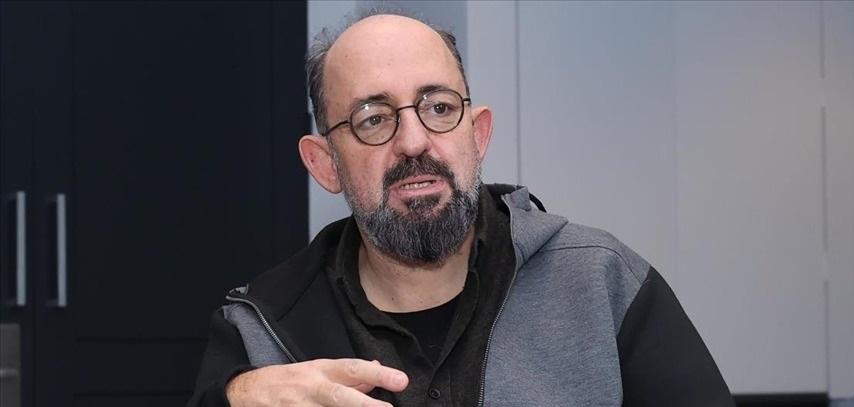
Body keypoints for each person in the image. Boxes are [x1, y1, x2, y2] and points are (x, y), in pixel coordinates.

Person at [189, 10, 734, 407]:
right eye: (373, 119)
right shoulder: (260, 329)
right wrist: (235, 397)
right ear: (325, 163)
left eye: (439, 108)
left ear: (478, 134)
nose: (414, 142)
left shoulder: (603, 282)